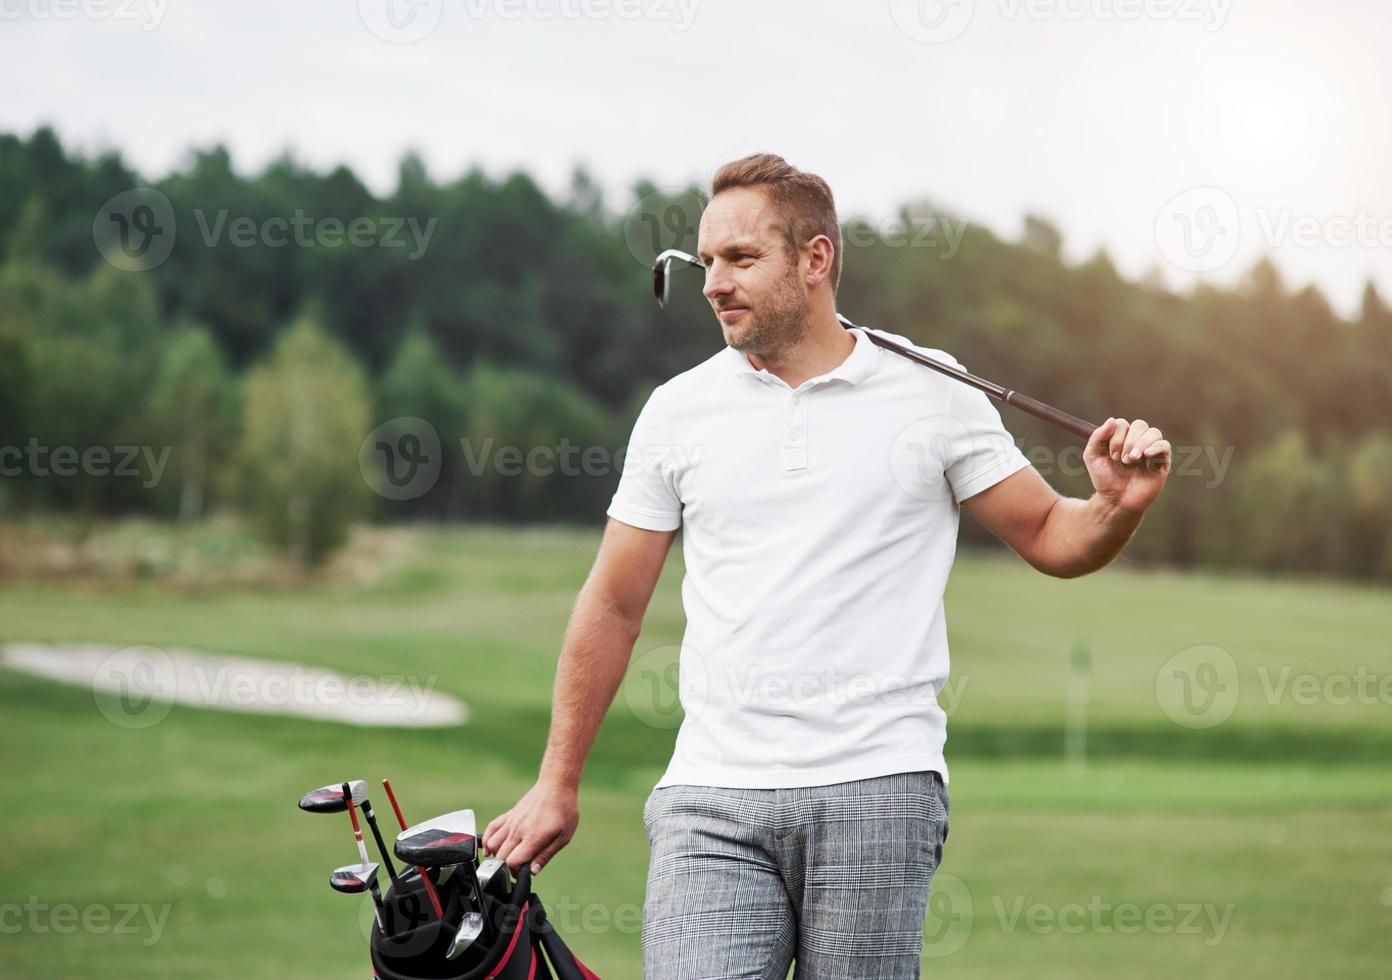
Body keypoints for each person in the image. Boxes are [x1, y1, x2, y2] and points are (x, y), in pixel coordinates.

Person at [482, 153, 1172, 978]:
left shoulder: (933, 392)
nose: (713, 283)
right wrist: (557, 782)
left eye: (741, 259)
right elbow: (614, 603)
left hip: (876, 787)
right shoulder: (677, 411)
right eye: (705, 262)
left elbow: (1054, 537)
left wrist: (1113, 508)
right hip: (710, 794)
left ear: (815, 260)